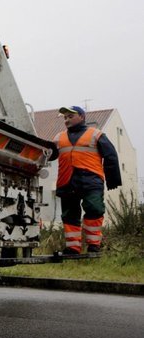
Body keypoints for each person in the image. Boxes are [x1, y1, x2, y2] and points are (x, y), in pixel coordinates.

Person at [54, 106, 121, 255]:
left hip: (91, 180)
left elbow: (110, 155)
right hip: (67, 181)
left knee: (95, 209)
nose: (67, 120)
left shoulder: (96, 135)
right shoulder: (59, 137)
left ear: (82, 116)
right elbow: (47, 154)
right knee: (69, 214)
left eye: (70, 116)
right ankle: (72, 248)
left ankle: (94, 245)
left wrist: (113, 180)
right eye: (65, 118)